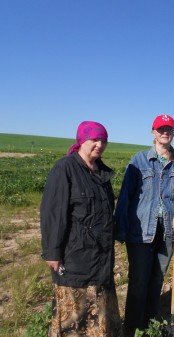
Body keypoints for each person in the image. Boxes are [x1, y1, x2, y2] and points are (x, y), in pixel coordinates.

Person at [114, 114, 174, 336]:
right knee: (139, 280)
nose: (165, 132)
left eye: (169, 129)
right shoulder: (139, 160)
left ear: (173, 133)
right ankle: (132, 328)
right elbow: (126, 196)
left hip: (170, 231)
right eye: (161, 129)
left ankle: (149, 323)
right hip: (141, 231)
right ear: (153, 132)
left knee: (157, 278)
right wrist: (120, 229)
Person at [40, 121, 123, 336]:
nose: (99, 144)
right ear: (81, 140)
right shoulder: (65, 168)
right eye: (94, 139)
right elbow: (53, 214)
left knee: (100, 309)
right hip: (75, 255)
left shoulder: (101, 173)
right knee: (74, 318)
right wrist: (52, 252)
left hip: (101, 256)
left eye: (103, 140)